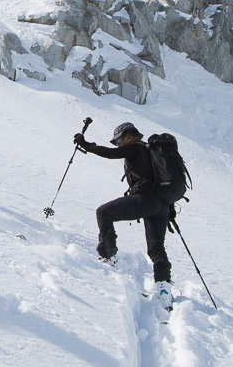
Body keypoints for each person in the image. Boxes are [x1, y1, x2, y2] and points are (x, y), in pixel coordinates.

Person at [74, 121, 174, 310]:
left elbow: (110, 154)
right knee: (156, 248)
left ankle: (108, 256)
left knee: (104, 212)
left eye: (119, 139)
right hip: (161, 205)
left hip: (145, 200)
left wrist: (86, 145)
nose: (118, 144)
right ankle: (164, 291)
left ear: (128, 135)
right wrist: (169, 209)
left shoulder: (134, 148)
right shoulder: (149, 151)